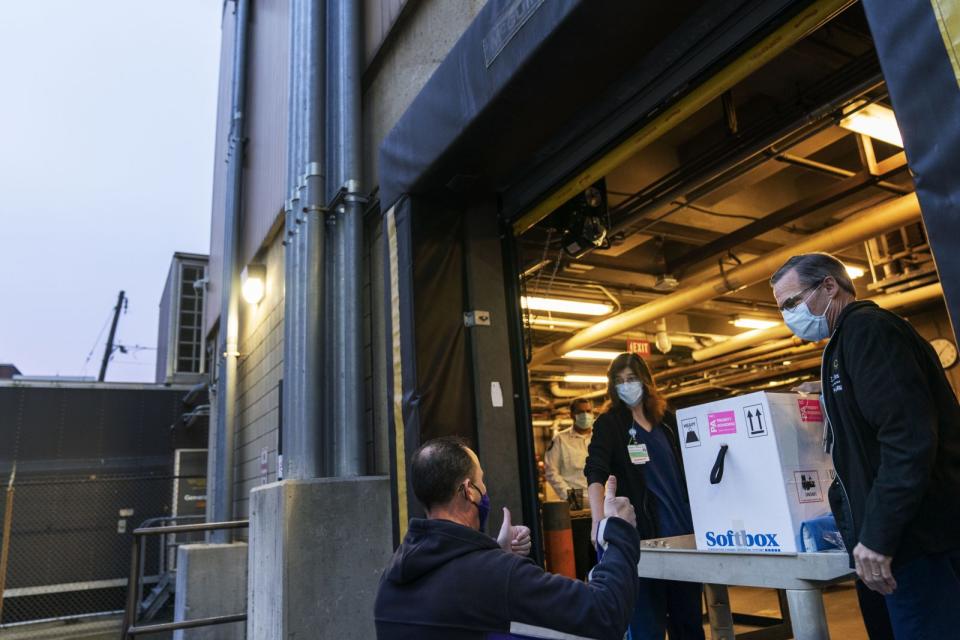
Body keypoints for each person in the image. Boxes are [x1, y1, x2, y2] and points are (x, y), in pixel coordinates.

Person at [770, 252, 960, 639]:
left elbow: (907, 440)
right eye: (782, 308)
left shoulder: (869, 330)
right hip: (894, 545)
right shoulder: (843, 344)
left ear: (829, 285)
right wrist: (827, 396)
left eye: (791, 302)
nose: (788, 315)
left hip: (919, 543)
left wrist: (877, 535)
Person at [374, 436, 640, 640]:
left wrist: (493, 552)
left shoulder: (392, 579)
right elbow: (605, 613)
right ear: (469, 491)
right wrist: (618, 531)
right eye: (482, 480)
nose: (485, 488)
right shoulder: (496, 576)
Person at [584, 353, 705, 640]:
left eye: (632, 379)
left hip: (683, 537)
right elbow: (595, 472)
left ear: (646, 381)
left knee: (689, 625)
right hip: (643, 542)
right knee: (646, 628)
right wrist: (597, 521)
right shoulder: (610, 424)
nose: (626, 386)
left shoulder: (667, 422)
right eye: (619, 381)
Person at [544, 397, 595, 507]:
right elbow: (551, 472)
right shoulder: (560, 439)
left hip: (603, 498)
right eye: (581, 412)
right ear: (572, 415)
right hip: (577, 501)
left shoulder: (601, 437)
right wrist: (571, 498)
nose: (585, 415)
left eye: (588, 411)